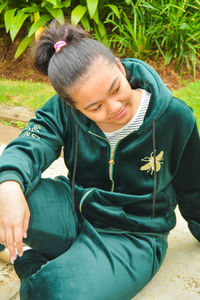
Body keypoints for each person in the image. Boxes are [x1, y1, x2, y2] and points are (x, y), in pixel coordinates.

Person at [0, 20, 200, 300]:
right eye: (95, 107)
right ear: (73, 105)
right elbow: (28, 147)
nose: (115, 107)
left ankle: (27, 260)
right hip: (74, 208)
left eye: (116, 89)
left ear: (119, 66)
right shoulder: (63, 109)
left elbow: (194, 188)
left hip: (132, 236)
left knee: (53, 292)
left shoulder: (175, 118)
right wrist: (8, 184)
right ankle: (24, 249)